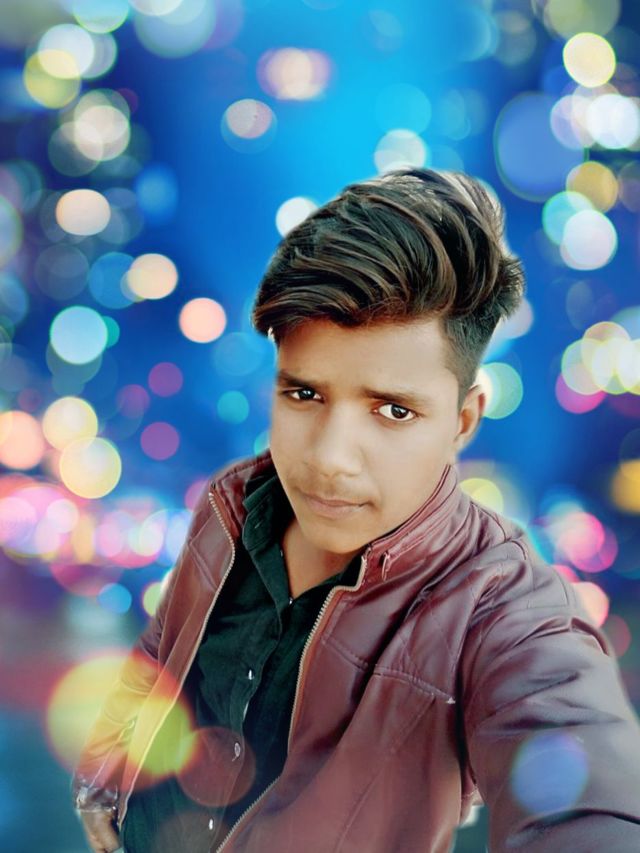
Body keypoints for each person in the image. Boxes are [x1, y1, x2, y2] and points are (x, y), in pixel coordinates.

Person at [72, 168, 640, 853]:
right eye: (305, 395)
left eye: (393, 410)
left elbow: (583, 791)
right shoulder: (229, 504)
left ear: (462, 421)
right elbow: (163, 649)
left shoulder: (499, 605)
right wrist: (107, 771)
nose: (330, 459)